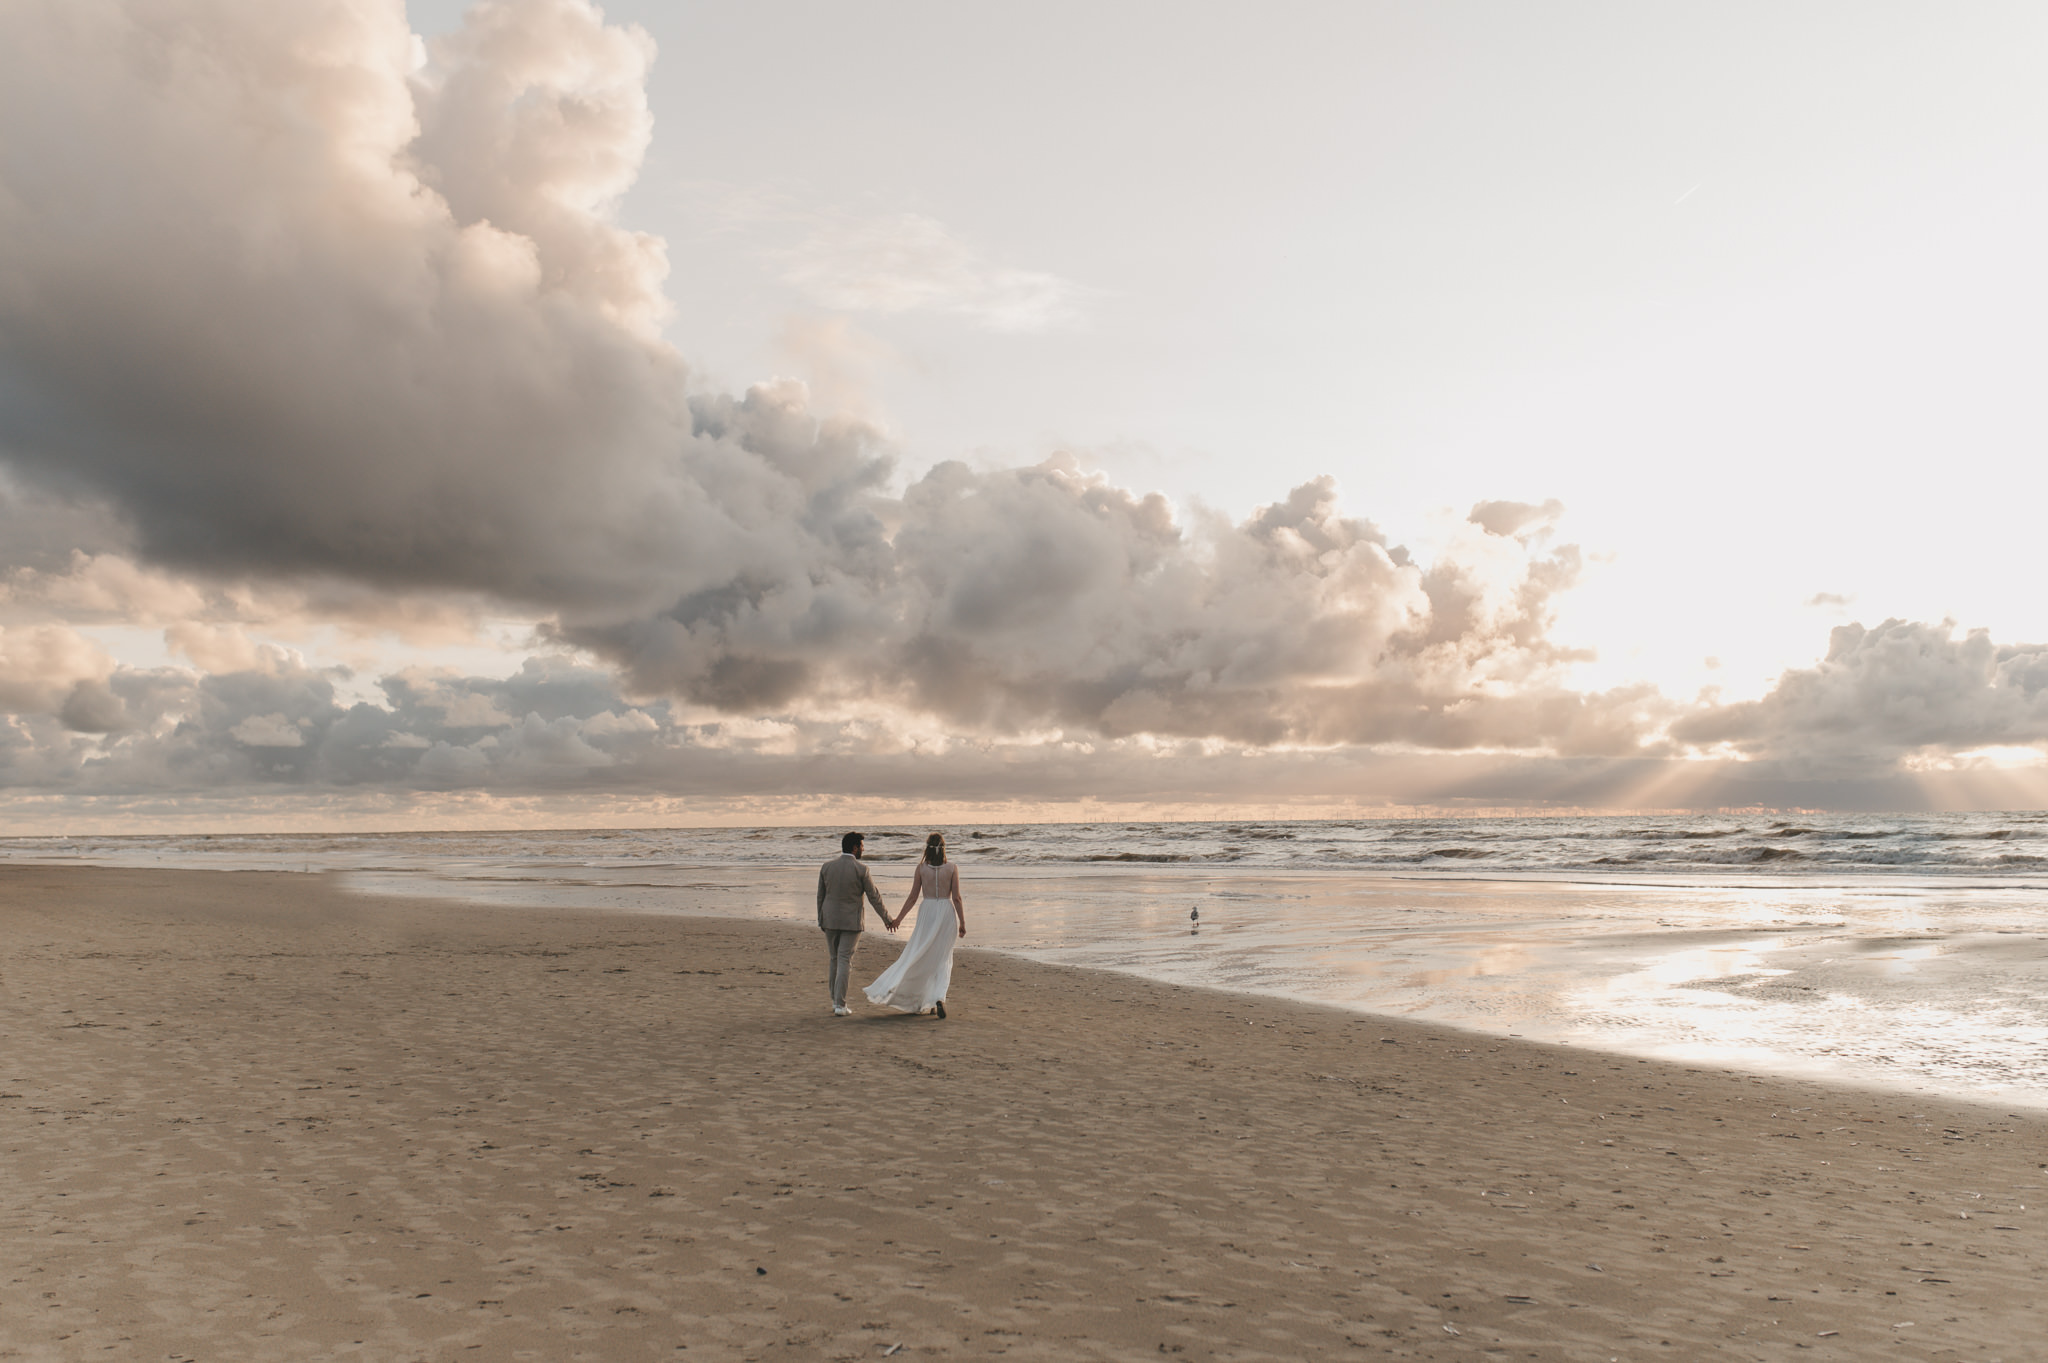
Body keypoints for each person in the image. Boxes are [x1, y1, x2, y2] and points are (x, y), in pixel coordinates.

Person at [864, 831, 966, 1019]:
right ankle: (938, 997)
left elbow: (912, 898)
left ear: (927, 848)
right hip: (946, 912)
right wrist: (962, 922)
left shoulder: (921, 869)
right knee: (942, 958)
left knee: (922, 953)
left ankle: (928, 998)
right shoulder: (952, 868)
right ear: (944, 848)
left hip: (927, 911)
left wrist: (899, 919)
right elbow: (957, 898)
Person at [817, 831, 888, 1017]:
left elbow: (820, 896)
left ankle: (835, 1001)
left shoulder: (827, 867)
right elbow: (874, 897)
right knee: (844, 961)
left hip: (830, 919)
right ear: (855, 848)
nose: (863, 850)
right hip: (851, 922)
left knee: (834, 959)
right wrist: (887, 919)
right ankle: (840, 1005)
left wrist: (821, 919)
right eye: (862, 846)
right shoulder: (862, 870)